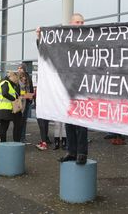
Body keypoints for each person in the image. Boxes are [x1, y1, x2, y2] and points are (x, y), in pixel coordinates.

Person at [56, 13, 89, 165]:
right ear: (71, 23)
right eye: (77, 22)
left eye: (82, 22)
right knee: (69, 122)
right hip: (68, 89)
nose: (80, 25)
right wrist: (39, 38)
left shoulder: (90, 38)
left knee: (81, 124)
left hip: (84, 88)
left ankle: (81, 153)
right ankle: (71, 151)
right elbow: (49, 51)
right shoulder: (65, 40)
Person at [0, 71, 23, 142]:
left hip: (4, 108)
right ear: (12, 76)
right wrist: (14, 99)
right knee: (3, 128)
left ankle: (3, 143)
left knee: (4, 127)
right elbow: (4, 93)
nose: (16, 80)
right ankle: (3, 143)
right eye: (16, 78)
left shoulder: (6, 83)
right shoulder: (5, 83)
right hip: (4, 109)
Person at [17, 70, 33, 143]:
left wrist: (29, 96)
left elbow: (26, 93)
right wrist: (27, 96)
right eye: (23, 78)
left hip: (26, 104)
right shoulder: (19, 85)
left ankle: (23, 138)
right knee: (20, 122)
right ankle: (19, 138)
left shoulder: (26, 85)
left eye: (25, 78)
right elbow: (20, 95)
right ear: (20, 78)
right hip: (20, 106)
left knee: (24, 122)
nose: (24, 79)